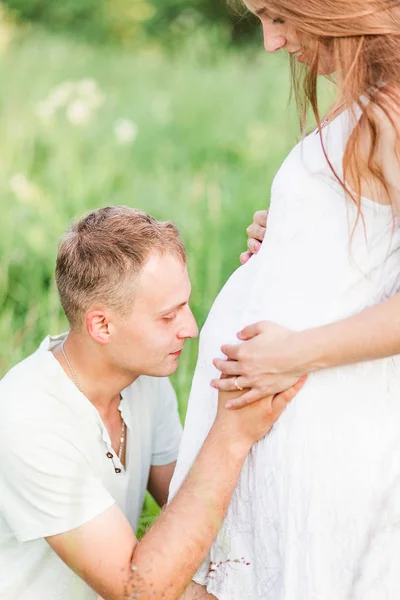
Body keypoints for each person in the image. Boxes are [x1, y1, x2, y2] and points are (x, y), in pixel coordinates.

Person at [170, 1, 400, 598]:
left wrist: (293, 353)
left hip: (324, 421)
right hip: (289, 424)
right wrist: (292, 243)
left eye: (278, 16)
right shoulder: (370, 106)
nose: (273, 43)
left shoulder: (390, 114)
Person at [0, 205, 304, 600]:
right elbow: (138, 590)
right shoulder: (26, 418)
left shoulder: (142, 378)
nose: (191, 328)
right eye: (168, 317)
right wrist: (232, 435)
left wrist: (282, 259)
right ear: (102, 325)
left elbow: (194, 514)